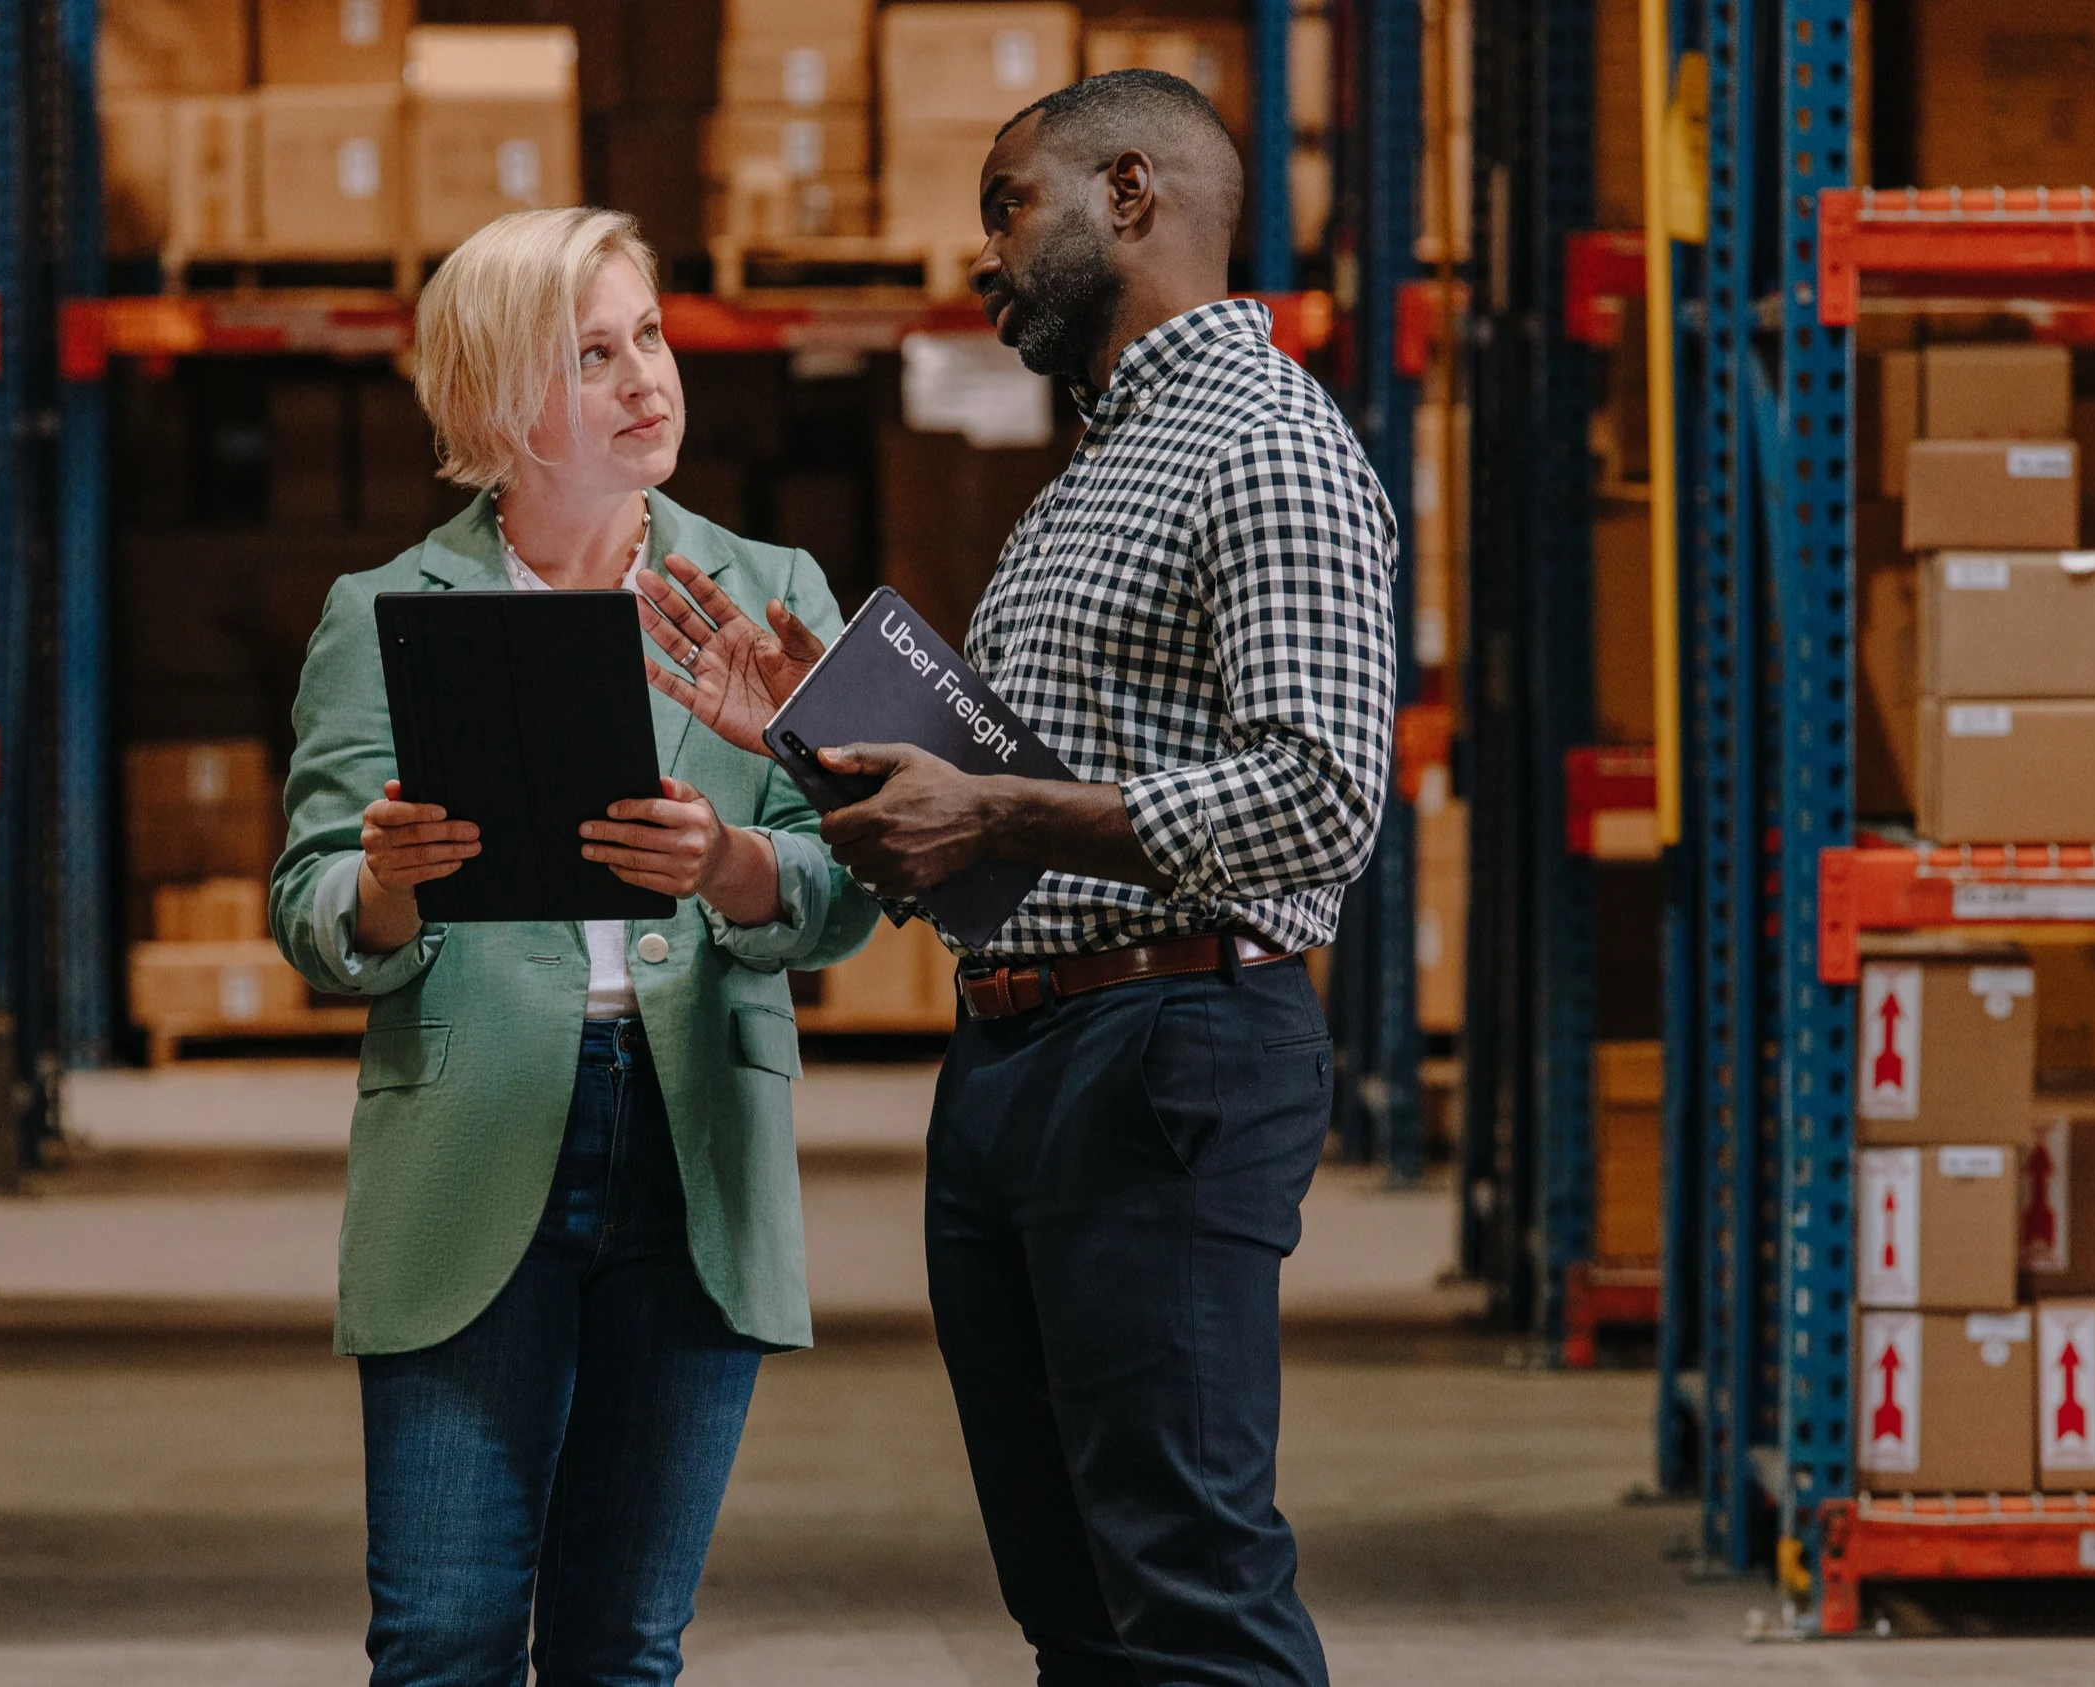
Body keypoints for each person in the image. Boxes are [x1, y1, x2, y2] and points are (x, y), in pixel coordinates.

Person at [644, 69, 1397, 1687]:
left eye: (1008, 206)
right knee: (1072, 1599)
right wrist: (818, 739)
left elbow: (1323, 796)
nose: (982, 252)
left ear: (1133, 192)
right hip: (1019, 1054)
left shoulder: (1269, 444)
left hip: (1170, 1050)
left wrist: (993, 819)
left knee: (1188, 1584)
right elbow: (992, 822)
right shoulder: (1093, 475)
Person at [269, 205, 876, 1687]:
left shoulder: (773, 591)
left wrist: (732, 864)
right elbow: (311, 900)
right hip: (473, 1141)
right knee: (442, 1636)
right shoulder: (387, 613)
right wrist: (389, 883)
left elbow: (856, 878)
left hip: (694, 1143)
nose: (644, 379)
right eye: (589, 355)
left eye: (649, 338)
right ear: (493, 405)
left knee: (623, 1648)